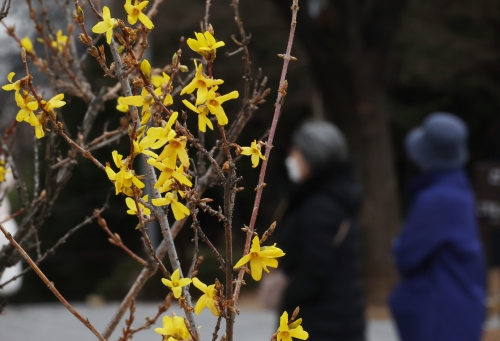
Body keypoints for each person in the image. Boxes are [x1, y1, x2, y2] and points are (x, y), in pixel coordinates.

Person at [389, 112, 486, 341]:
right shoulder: (460, 191)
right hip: (460, 307)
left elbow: (406, 256)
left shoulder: (437, 199)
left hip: (440, 315)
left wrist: (397, 244)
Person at [276, 120, 366, 341]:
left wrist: (288, 295)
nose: (291, 156)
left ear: (312, 157)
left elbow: (314, 268)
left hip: (320, 323)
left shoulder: (320, 206)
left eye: (297, 151)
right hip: (339, 316)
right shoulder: (335, 197)